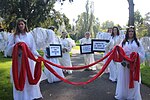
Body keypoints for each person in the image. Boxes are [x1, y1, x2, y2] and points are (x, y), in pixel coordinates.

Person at [6, 18, 46, 100]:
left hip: (29, 60)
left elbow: (33, 49)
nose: (21, 26)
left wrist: (38, 56)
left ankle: (31, 95)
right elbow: (9, 49)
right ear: (17, 26)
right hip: (19, 60)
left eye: (22, 24)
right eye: (19, 24)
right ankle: (21, 97)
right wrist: (17, 46)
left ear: (25, 25)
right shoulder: (14, 36)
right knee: (19, 76)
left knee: (28, 77)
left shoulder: (30, 36)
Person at [115, 26, 145, 100]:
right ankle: (124, 94)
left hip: (134, 64)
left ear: (134, 33)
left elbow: (142, 53)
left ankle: (132, 95)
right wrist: (122, 60)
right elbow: (119, 52)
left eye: (132, 31)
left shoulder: (138, 42)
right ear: (127, 33)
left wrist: (135, 57)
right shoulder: (123, 42)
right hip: (124, 64)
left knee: (133, 80)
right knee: (124, 79)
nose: (130, 33)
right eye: (129, 31)